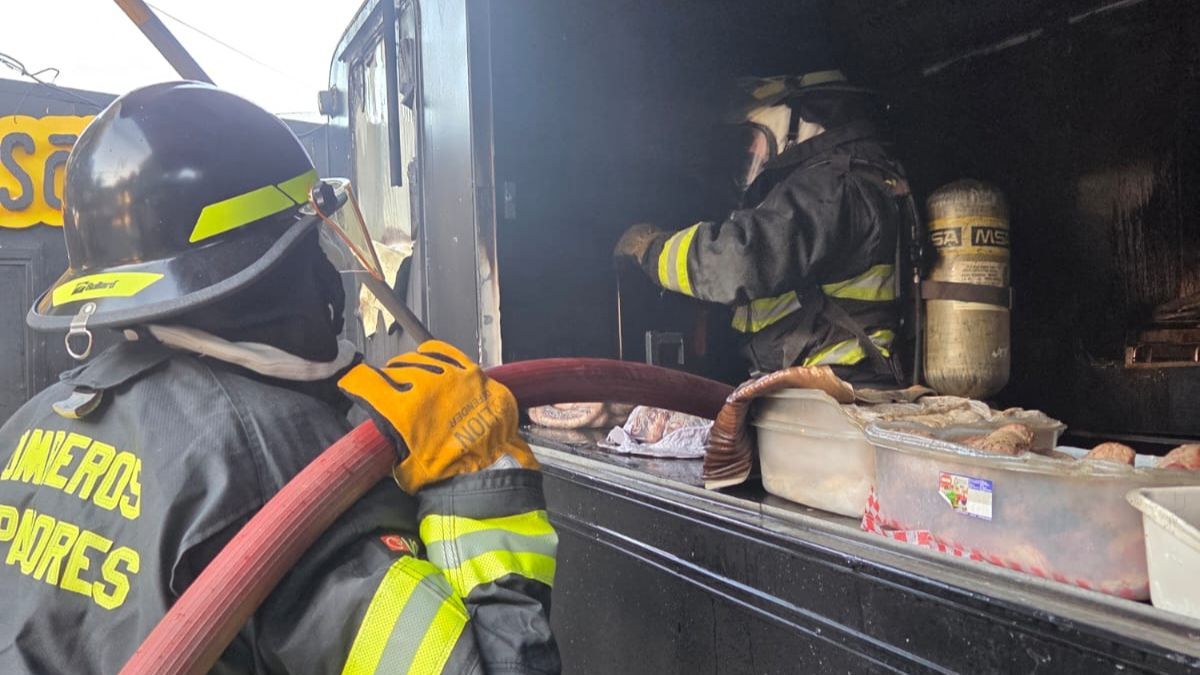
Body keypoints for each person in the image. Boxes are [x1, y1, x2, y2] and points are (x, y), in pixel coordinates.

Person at [0, 82, 559, 675]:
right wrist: (479, 482)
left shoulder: (34, 422)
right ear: (275, 267)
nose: (327, 272)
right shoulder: (282, 465)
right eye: (313, 240)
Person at [614, 70, 912, 386]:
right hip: (820, 387)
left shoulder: (835, 185)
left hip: (837, 392)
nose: (752, 153)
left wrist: (652, 249)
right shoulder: (845, 178)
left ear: (801, 123)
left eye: (753, 139)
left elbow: (739, 260)